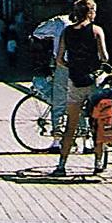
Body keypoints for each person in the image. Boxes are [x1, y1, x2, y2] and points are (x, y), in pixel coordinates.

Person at [50, 0, 109, 177]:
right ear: (91, 12)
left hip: (75, 81)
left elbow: (59, 59)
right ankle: (98, 163)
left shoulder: (67, 32)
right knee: (98, 123)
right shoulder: (97, 30)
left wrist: (72, 66)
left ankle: (62, 165)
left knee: (71, 125)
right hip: (94, 82)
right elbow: (105, 56)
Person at [31, 12, 72, 152]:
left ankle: (57, 141)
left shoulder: (60, 21)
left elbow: (38, 32)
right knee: (80, 101)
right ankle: (86, 141)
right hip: (84, 67)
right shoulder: (91, 26)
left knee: (59, 102)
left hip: (64, 66)